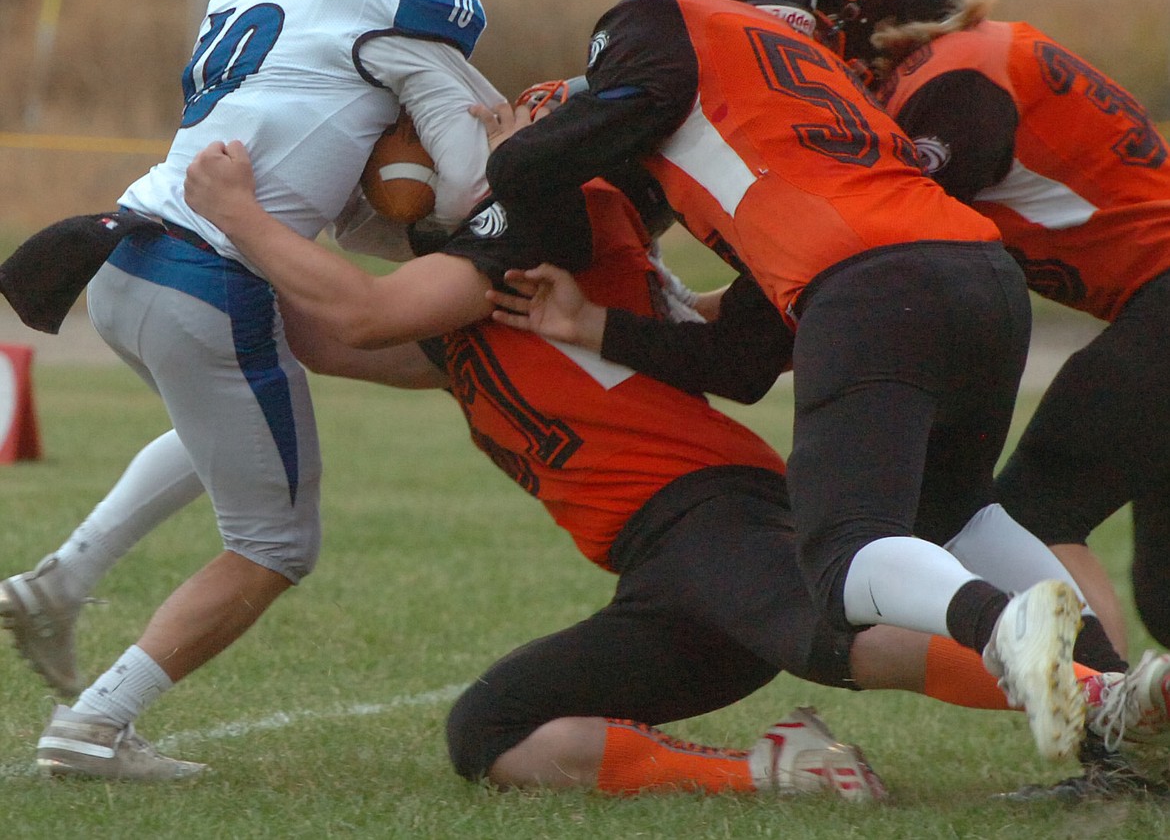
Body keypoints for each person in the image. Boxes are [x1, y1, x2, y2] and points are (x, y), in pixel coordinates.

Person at [180, 130, 1168, 799]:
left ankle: (1100, 700)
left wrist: (242, 212)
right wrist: (248, 219)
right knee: (491, 733)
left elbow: (360, 307)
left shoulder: (557, 221)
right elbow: (328, 331)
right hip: (663, 573)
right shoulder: (453, 322)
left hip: (714, 511)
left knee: (840, 636)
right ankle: (777, 769)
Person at [479, 0, 1103, 764]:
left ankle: (1005, 623)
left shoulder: (663, 16)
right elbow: (741, 360)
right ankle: (1112, 693)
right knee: (958, 517)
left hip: (874, 284)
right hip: (982, 281)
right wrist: (597, 325)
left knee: (846, 560)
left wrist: (512, 156)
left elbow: (579, 135)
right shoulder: (816, 81)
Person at [0, 0, 502, 781]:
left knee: (221, 428)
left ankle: (61, 583)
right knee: (275, 541)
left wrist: (408, 219)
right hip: (211, 276)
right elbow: (471, 194)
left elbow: (332, 198)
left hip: (128, 255)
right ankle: (95, 726)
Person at [807, 0, 1170, 659]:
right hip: (1152, 303)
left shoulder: (954, 78)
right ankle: (1138, 741)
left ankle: (1115, 729)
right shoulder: (980, 54)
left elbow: (894, 235)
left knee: (1034, 512)